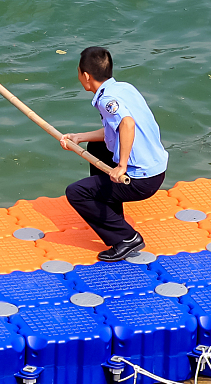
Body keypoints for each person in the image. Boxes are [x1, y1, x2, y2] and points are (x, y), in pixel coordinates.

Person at [60, 47, 169, 262]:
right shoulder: (123, 89)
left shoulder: (106, 100)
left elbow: (127, 124)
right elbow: (116, 129)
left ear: (85, 76)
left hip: (142, 179)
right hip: (157, 168)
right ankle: (114, 220)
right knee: (97, 148)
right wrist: (79, 137)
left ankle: (126, 238)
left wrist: (122, 166)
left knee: (76, 192)